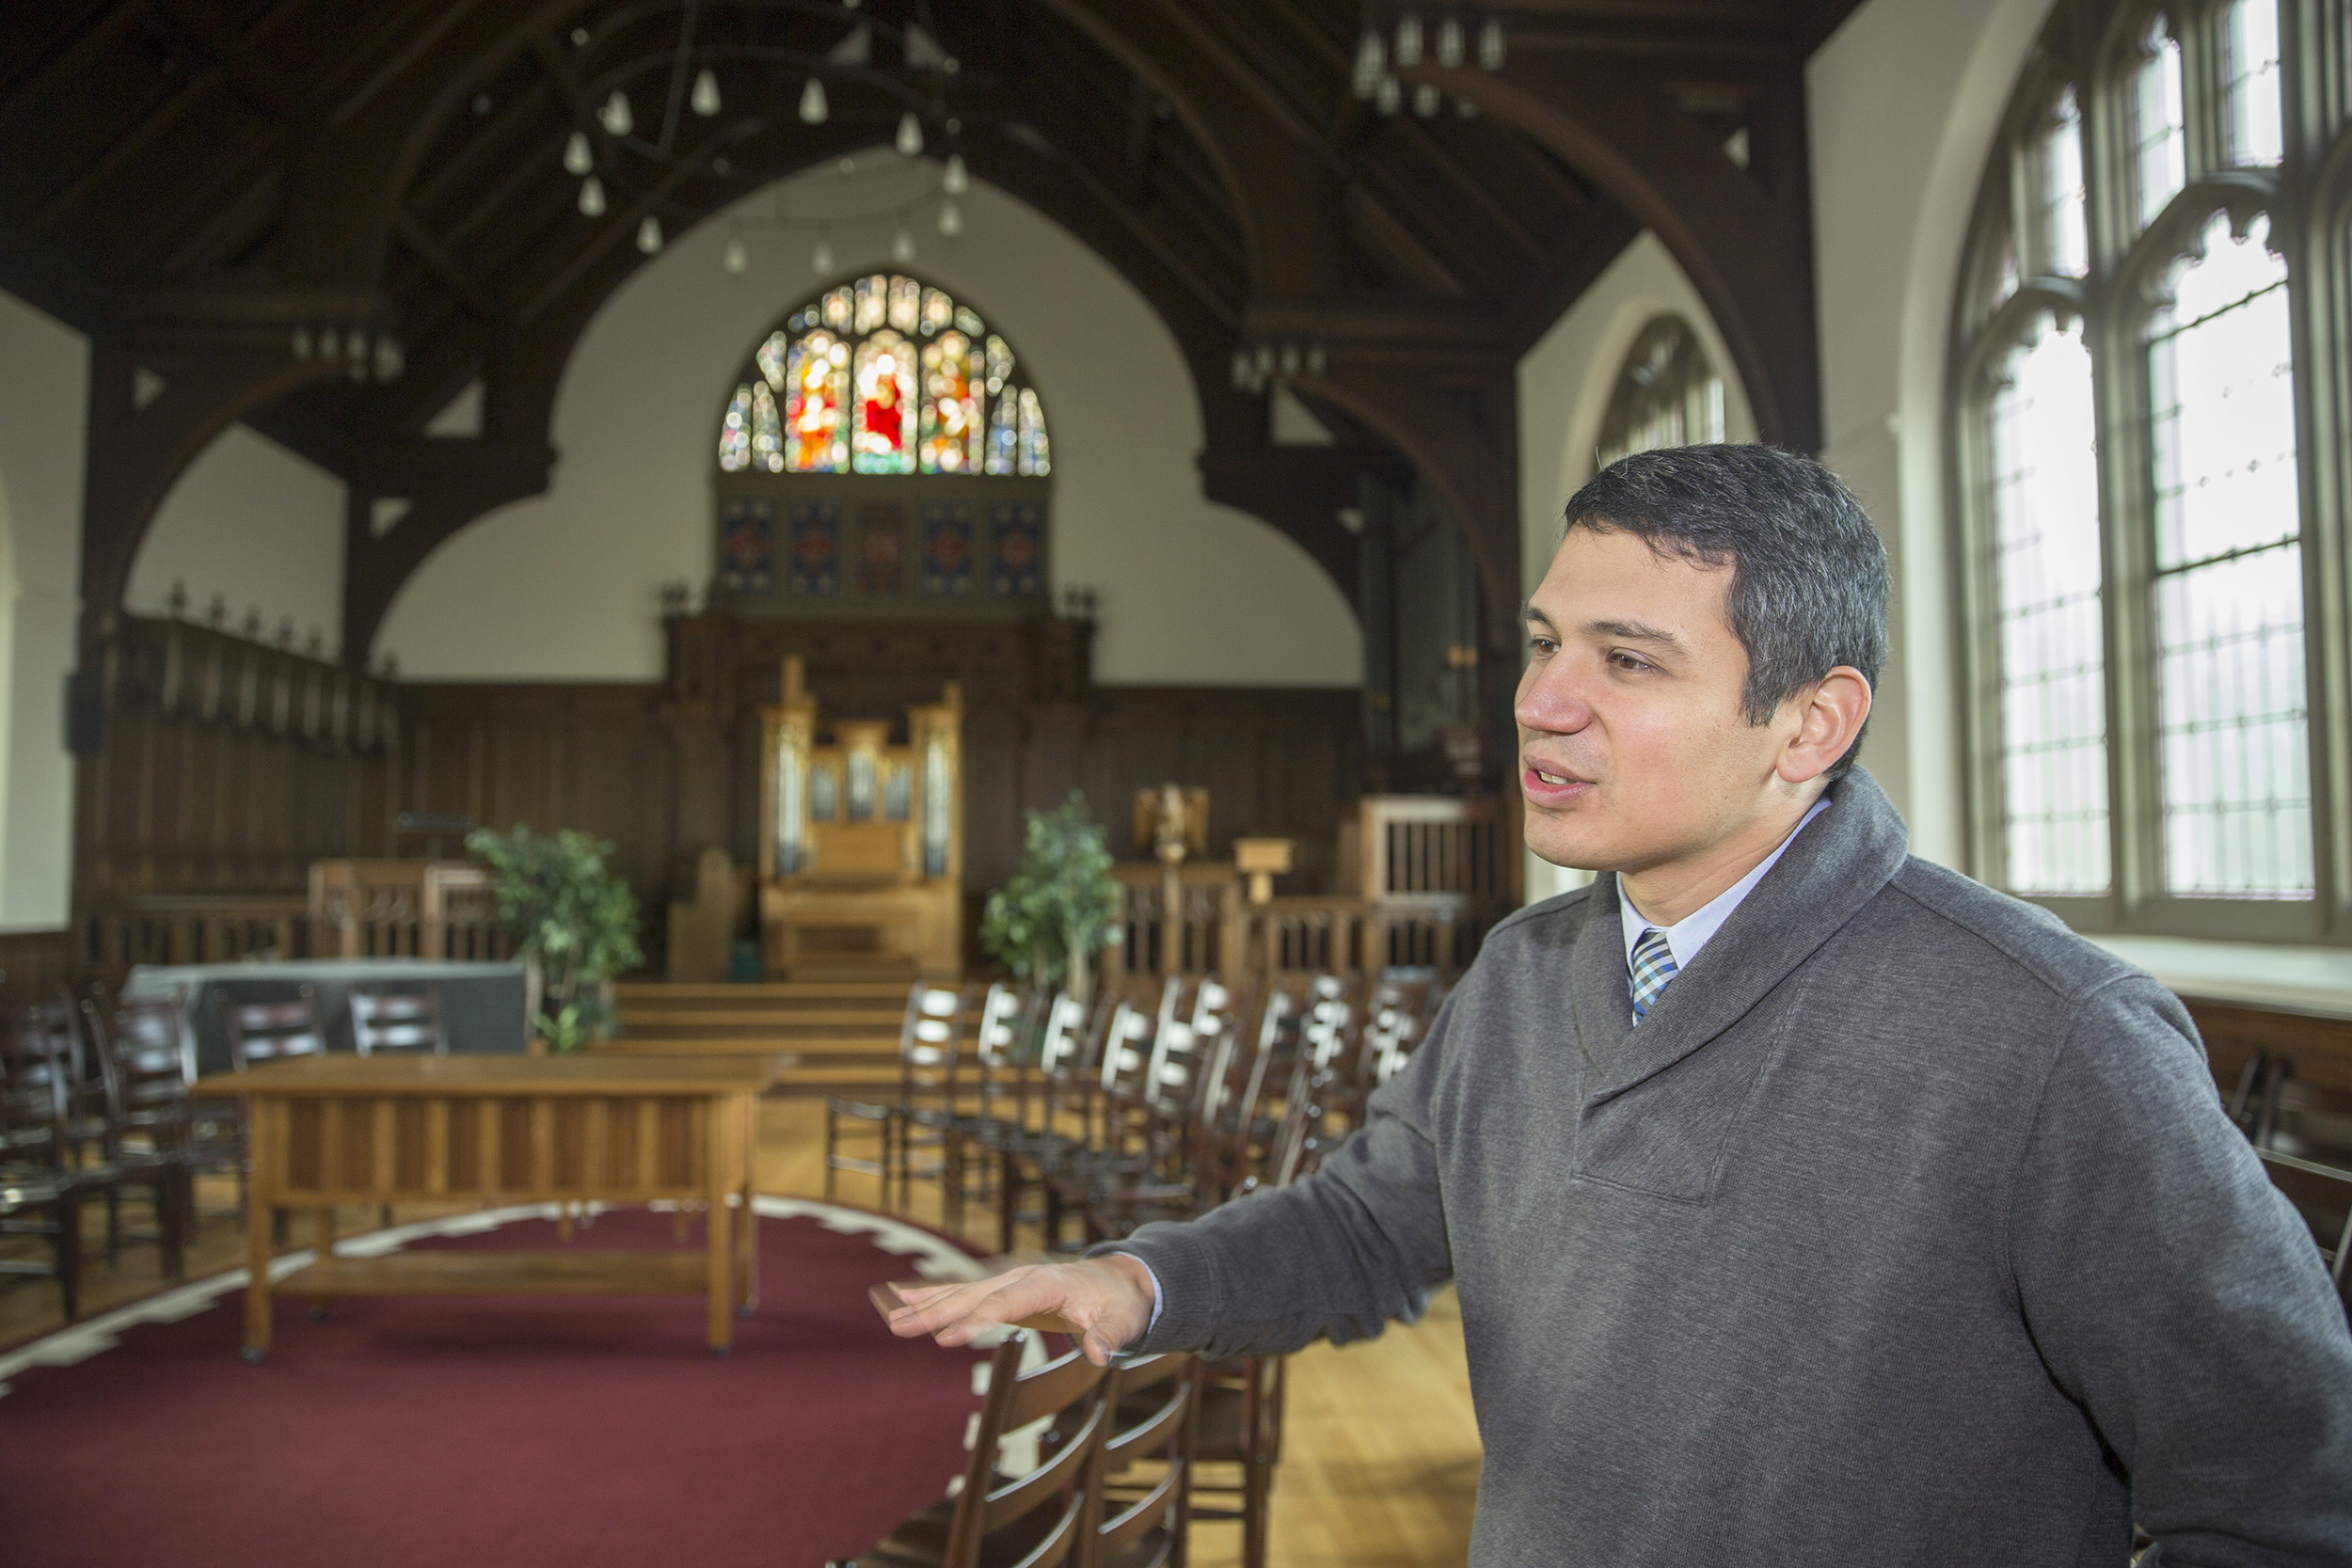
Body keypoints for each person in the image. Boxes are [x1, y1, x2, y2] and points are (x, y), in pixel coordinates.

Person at [888, 445, 2352, 1562]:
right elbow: (1362, 1226)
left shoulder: (2051, 1037)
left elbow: (2286, 1488)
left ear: (1809, 723)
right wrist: (1138, 1286)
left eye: (1627, 660)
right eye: (1545, 643)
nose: (1540, 701)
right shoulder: (1525, 977)